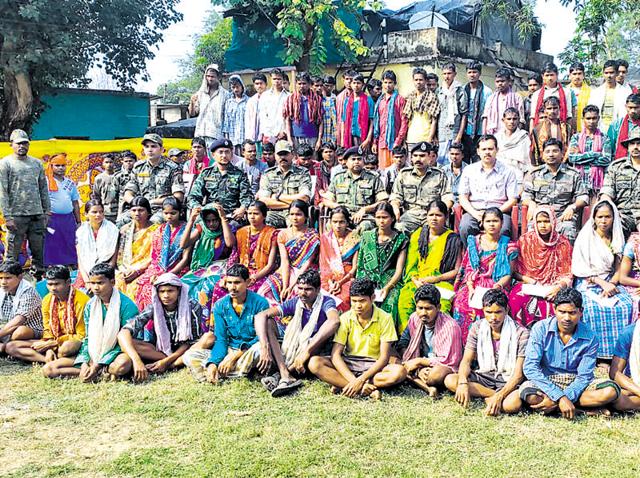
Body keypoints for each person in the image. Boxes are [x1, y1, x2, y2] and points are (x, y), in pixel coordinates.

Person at [516, 288, 620, 419]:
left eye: (572, 313)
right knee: (529, 395)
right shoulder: (540, 328)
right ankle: (581, 410)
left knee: (610, 391)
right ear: (554, 310)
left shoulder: (590, 337)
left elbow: (584, 377)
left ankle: (555, 407)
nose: (566, 318)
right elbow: (530, 368)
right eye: (562, 312)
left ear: (581, 312)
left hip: (575, 381)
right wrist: (560, 397)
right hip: (546, 380)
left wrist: (562, 397)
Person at [308, 278, 407, 400]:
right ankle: (365, 389)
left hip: (374, 365)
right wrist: (355, 381)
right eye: (354, 301)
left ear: (372, 298)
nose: (357, 306)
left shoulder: (385, 318)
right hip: (350, 362)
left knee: (399, 372)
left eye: (362, 301)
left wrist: (361, 378)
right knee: (314, 363)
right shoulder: (345, 318)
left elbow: (384, 358)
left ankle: (342, 383)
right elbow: (335, 355)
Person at [43, 263, 139, 380]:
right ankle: (97, 372)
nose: (95, 288)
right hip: (93, 352)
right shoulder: (90, 304)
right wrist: (84, 362)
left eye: (100, 283)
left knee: (122, 365)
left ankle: (99, 370)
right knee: (48, 369)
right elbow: (88, 338)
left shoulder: (127, 306)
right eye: (92, 283)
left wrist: (98, 364)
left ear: (112, 282)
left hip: (116, 353)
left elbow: (125, 343)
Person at [255, 270, 341, 397]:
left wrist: (306, 351)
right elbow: (261, 315)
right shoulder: (296, 302)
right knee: (268, 322)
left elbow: (334, 321)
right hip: (296, 350)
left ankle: (281, 376)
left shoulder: (326, 301)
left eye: (308, 289)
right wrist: (264, 347)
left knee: (322, 334)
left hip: (315, 352)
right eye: (300, 288)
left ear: (318, 290)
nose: (302, 293)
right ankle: (285, 374)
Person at [445, 289, 528, 415]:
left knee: (512, 405)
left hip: (507, 379)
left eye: (498, 312)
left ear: (507, 310)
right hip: (484, 375)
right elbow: (466, 360)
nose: (493, 318)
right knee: (450, 380)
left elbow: (518, 375)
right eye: (488, 312)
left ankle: (495, 396)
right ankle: (491, 395)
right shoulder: (477, 327)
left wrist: (502, 394)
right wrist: (462, 382)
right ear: (483, 310)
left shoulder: (521, 333)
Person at [183, 264, 270, 384]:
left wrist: (235, 356)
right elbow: (221, 339)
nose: (232, 287)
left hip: (248, 350)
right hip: (229, 349)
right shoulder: (220, 305)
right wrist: (213, 362)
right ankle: (227, 371)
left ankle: (223, 372)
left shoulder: (260, 303)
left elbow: (261, 337)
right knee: (190, 356)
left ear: (248, 282)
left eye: (237, 282)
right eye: (229, 282)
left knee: (259, 350)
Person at [572, 199, 634, 359]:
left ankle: (619, 354)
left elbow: (619, 267)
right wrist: (601, 283)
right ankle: (596, 354)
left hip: (610, 281)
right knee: (591, 308)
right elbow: (580, 269)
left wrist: (612, 283)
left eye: (607, 217)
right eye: (600, 217)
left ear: (613, 218)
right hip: (588, 282)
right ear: (594, 218)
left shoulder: (616, 237)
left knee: (626, 305)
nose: (603, 221)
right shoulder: (585, 238)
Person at [117, 274, 204, 382]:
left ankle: (172, 364)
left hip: (186, 349)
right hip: (162, 351)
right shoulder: (154, 306)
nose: (166, 295)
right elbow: (123, 333)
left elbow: (191, 342)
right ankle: (172, 363)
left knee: (207, 340)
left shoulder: (193, 306)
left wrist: (166, 362)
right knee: (129, 342)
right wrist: (137, 361)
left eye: (170, 291)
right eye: (162, 291)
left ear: (178, 291)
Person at [453, 208, 517, 343]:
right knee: (462, 303)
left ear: (501, 223)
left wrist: (497, 286)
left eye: (495, 221)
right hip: (474, 283)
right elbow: (469, 269)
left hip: (497, 284)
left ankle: (490, 345)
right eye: (488, 221)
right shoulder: (474, 243)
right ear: (482, 223)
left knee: (493, 305)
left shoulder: (509, 246)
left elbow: (508, 275)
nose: (492, 224)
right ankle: (467, 346)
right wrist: (470, 287)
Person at [397, 201, 462, 331]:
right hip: (418, 281)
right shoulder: (418, 235)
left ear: (446, 217)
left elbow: (457, 270)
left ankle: (439, 340)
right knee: (405, 301)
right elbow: (411, 265)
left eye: (438, 215)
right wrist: (416, 280)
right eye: (431, 215)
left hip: (441, 282)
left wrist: (436, 279)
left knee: (442, 305)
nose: (434, 218)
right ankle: (408, 340)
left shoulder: (453, 239)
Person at [6, 266, 88, 364]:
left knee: (65, 349)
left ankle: (60, 359)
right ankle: (48, 360)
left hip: (73, 342)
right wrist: (49, 347)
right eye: (50, 284)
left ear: (68, 282)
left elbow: (81, 336)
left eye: (57, 284)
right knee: (11, 347)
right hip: (52, 341)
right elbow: (47, 330)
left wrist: (52, 344)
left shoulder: (82, 301)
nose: (53, 288)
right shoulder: (47, 300)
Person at [509, 206, 573, 327]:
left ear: (553, 222)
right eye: (539, 222)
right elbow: (515, 272)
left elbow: (567, 274)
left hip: (554, 286)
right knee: (516, 299)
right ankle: (522, 336)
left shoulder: (562, 243)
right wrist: (531, 281)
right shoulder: (525, 241)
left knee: (553, 306)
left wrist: (558, 287)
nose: (543, 225)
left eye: (546, 221)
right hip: (529, 284)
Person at [0, 129, 50, 276]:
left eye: (25, 143)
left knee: (38, 251)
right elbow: (2, 191)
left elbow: (43, 188)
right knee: (12, 254)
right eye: (19, 143)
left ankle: (38, 279)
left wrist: (46, 211)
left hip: (37, 215)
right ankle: (9, 280)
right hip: (16, 215)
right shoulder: (5, 164)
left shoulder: (36, 163)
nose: (22, 146)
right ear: (12, 145)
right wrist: (7, 217)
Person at [399, 284, 462, 396]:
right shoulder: (414, 318)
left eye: (428, 309)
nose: (423, 313)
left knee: (434, 376)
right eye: (420, 308)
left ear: (438, 307)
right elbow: (404, 341)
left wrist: (419, 362)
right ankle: (425, 385)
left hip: (441, 366)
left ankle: (416, 378)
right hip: (420, 362)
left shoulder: (450, 326)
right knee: (392, 359)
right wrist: (412, 362)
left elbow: (450, 361)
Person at [522, 138, 588, 243]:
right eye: (547, 152)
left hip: (563, 216)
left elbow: (583, 196)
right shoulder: (534, 174)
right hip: (541, 217)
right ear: (542, 155)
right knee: (532, 234)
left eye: (555, 151)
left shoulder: (573, 174)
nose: (551, 154)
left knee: (568, 229)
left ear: (562, 154)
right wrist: (531, 203)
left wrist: (573, 207)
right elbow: (525, 195)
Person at [458, 135, 518, 245]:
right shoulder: (469, 170)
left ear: (497, 150)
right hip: (475, 211)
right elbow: (462, 197)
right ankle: (472, 258)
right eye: (484, 149)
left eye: (490, 149)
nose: (487, 152)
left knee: (504, 229)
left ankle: (498, 260)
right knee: (465, 227)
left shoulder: (508, 171)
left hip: (500, 211)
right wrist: (475, 213)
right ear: (478, 151)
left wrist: (495, 214)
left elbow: (513, 199)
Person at [356, 202, 408, 326]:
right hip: (367, 279)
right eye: (378, 217)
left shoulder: (401, 239)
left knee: (390, 303)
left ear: (392, 218)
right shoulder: (367, 236)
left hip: (390, 281)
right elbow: (361, 265)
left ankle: (387, 340)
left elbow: (399, 270)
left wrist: (387, 287)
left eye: (385, 217)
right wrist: (362, 285)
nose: (381, 221)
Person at [134, 197, 191, 310]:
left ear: (181, 212)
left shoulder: (186, 230)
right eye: (166, 213)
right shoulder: (160, 230)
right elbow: (155, 257)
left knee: (152, 289)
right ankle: (145, 322)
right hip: (158, 268)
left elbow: (185, 259)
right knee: (141, 285)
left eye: (173, 213)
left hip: (177, 269)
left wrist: (167, 274)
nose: (169, 216)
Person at [259, 200, 319, 305]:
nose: (295, 218)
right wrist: (285, 286)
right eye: (292, 214)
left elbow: (307, 263)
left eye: (299, 214)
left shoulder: (312, 235)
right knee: (264, 291)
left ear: (306, 216)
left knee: (296, 292)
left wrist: (291, 286)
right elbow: (285, 262)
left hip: (305, 271)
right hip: (287, 270)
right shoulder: (283, 234)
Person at [180, 204, 236, 318]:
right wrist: (191, 221)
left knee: (206, 288)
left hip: (221, 266)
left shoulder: (227, 228)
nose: (211, 224)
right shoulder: (202, 229)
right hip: (203, 266)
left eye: (215, 220)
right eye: (208, 221)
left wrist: (223, 219)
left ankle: (205, 320)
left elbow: (230, 243)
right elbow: (183, 244)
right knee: (182, 285)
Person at [186, 138, 253, 228]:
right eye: (220, 152)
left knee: (233, 230)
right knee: (197, 228)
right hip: (210, 215)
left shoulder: (239, 174)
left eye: (227, 152)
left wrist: (243, 208)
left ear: (231, 154)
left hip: (232, 216)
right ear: (213, 155)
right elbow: (193, 196)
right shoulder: (206, 173)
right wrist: (200, 208)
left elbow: (247, 196)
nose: (224, 155)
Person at [390, 142, 453, 235]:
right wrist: (395, 208)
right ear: (411, 158)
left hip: (431, 214)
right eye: (415, 156)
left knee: (433, 233)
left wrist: (441, 213)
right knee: (398, 228)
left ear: (429, 157)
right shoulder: (404, 174)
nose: (418, 159)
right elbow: (396, 197)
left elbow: (448, 198)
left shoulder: (439, 175)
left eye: (422, 156)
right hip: (410, 215)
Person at [323, 146, 388, 232]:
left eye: (359, 159)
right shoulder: (338, 178)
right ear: (346, 162)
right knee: (330, 226)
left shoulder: (373, 178)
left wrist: (365, 209)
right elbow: (326, 200)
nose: (356, 162)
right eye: (353, 159)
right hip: (341, 216)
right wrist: (338, 207)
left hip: (364, 217)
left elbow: (383, 201)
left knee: (365, 227)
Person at [123, 134, 184, 224]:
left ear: (162, 149)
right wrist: (136, 204)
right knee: (122, 220)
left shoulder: (173, 168)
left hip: (163, 209)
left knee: (153, 223)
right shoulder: (138, 167)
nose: (150, 150)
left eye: (153, 146)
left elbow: (179, 197)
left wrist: (153, 202)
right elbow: (128, 193)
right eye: (146, 146)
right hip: (141, 208)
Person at [257, 140, 312, 228]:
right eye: (280, 154)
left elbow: (304, 198)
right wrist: (290, 204)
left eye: (285, 154)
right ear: (275, 155)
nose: (283, 157)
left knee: (296, 226)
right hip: (274, 213)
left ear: (292, 155)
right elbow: (264, 201)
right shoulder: (268, 174)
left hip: (296, 212)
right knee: (265, 222)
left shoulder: (303, 173)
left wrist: (277, 197)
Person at [115, 196, 159, 301]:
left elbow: (156, 256)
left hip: (147, 269)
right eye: (134, 210)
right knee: (117, 283)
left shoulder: (157, 230)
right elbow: (120, 256)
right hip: (127, 269)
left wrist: (138, 271)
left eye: (141, 210)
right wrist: (125, 270)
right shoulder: (125, 230)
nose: (137, 213)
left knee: (137, 287)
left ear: (148, 212)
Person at [568, 105, 612, 202]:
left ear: (598, 119)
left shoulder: (605, 138)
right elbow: (572, 158)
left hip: (597, 183)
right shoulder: (576, 137)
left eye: (594, 118)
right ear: (583, 119)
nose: (591, 121)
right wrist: (596, 154)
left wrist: (582, 156)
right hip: (579, 181)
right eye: (588, 118)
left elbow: (606, 160)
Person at [43, 153, 80, 267]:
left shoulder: (70, 183)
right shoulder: (45, 182)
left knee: (69, 241)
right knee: (53, 242)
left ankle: (71, 266)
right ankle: (52, 268)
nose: (60, 168)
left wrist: (78, 221)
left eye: (63, 165)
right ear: (51, 167)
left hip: (68, 218)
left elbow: (75, 202)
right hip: (51, 218)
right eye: (57, 165)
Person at [319, 207, 360, 309]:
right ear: (330, 222)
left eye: (341, 222)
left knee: (344, 298)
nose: (338, 226)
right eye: (335, 222)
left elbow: (355, 267)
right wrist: (330, 283)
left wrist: (340, 283)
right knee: (321, 296)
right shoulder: (326, 238)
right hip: (328, 278)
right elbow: (324, 265)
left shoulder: (355, 238)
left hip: (348, 277)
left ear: (347, 222)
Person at [600, 130, 640, 234]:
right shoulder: (616, 167)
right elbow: (606, 194)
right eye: (632, 143)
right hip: (622, 215)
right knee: (606, 227)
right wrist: (612, 211)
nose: (636, 147)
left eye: (639, 143)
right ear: (627, 146)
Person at [75, 200, 119, 290]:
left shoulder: (112, 229)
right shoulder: (81, 232)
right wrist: (87, 281)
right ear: (86, 214)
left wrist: (103, 275)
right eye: (94, 212)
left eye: (101, 212)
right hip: (86, 272)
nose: (98, 215)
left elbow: (113, 259)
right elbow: (80, 259)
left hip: (106, 271)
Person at [0, 261, 42, 354]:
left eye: (8, 278)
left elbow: (19, 321)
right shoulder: (3, 290)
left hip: (32, 329)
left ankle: (9, 346)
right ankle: (6, 346)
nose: (3, 282)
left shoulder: (28, 292)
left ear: (20, 277)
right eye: (1, 278)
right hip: (9, 328)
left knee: (19, 332)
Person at [371, 70, 408, 170]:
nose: (388, 85)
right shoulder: (380, 101)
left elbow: (404, 122)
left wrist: (398, 141)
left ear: (395, 84)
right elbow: (376, 123)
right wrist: (375, 142)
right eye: (385, 82)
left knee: (395, 171)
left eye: (390, 82)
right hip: (381, 142)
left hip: (395, 142)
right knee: (383, 171)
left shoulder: (400, 100)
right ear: (382, 83)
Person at [189, 63, 230, 145]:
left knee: (214, 157)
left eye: (213, 76)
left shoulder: (225, 95)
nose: (210, 79)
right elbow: (192, 113)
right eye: (208, 76)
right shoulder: (200, 94)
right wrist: (192, 102)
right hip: (200, 133)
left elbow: (227, 117)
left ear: (218, 77)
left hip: (216, 134)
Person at [283, 71, 324, 150]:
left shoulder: (317, 99)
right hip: (295, 137)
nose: (301, 86)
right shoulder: (291, 99)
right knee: (297, 160)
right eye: (299, 83)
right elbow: (287, 120)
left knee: (312, 160)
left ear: (309, 84)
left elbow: (320, 121)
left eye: (304, 83)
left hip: (313, 137)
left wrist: (319, 140)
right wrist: (289, 138)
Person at [437, 63, 468, 165]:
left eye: (449, 73)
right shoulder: (439, 91)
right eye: (444, 73)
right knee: (441, 163)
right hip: (441, 133)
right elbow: (437, 114)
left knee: (454, 162)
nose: (447, 76)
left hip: (454, 133)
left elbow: (464, 114)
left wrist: (459, 135)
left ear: (454, 74)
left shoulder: (460, 91)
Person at [529, 62, 575, 132]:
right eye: (547, 75)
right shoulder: (536, 94)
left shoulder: (566, 92)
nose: (550, 78)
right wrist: (532, 135)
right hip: (541, 131)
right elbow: (533, 117)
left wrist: (568, 134)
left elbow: (569, 116)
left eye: (552, 75)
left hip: (560, 129)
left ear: (557, 75)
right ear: (543, 76)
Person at [587, 60, 628, 134]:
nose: (609, 76)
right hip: (599, 130)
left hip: (618, 129)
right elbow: (589, 113)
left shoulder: (625, 92)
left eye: (611, 73)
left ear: (616, 73)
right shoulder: (596, 92)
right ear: (603, 74)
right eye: (606, 73)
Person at [403, 68, 440, 150]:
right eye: (416, 80)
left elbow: (434, 120)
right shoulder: (410, 96)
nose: (418, 82)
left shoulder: (431, 97)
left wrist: (430, 138)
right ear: (413, 81)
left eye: (421, 80)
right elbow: (406, 119)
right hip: (411, 138)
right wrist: (404, 139)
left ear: (425, 81)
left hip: (425, 137)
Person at [463, 61, 492, 160]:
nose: (472, 75)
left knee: (479, 161)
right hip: (464, 132)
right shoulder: (462, 90)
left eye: (474, 72)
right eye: (469, 72)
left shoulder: (487, 92)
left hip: (480, 132)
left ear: (479, 74)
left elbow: (488, 114)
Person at [530, 96, 573, 166]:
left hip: (564, 164)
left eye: (555, 108)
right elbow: (535, 151)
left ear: (559, 109)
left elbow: (570, 147)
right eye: (549, 108)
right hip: (544, 165)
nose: (552, 111)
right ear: (545, 110)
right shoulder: (537, 129)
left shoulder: (567, 128)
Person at [495, 107, 531, 187]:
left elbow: (528, 163)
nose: (511, 122)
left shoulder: (524, 137)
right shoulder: (497, 137)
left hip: (517, 176)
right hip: (499, 176)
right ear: (503, 120)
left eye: (515, 119)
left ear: (519, 120)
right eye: (509, 119)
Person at [609, 320, 640, 411]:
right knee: (613, 394)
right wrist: (638, 390)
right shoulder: (630, 332)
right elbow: (615, 372)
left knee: (619, 400)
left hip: (633, 393)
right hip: (634, 383)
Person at [339, 73, 374, 149]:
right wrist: (342, 139)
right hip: (349, 137)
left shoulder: (368, 100)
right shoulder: (347, 101)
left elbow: (372, 121)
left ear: (363, 85)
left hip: (363, 137)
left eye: (358, 83)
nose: (356, 85)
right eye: (354, 83)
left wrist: (368, 139)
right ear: (351, 84)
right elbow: (343, 121)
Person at [259, 68, 290, 144]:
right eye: (274, 79)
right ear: (271, 79)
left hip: (283, 134)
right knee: (268, 155)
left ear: (283, 79)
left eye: (279, 79)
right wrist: (266, 133)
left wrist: (285, 132)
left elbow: (290, 116)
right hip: (268, 134)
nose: (276, 81)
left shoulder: (289, 96)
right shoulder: (265, 96)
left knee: (283, 155)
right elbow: (262, 116)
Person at [607, 93, 640, 161]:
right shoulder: (616, 125)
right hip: (621, 165)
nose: (633, 111)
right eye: (630, 107)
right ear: (626, 107)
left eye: (636, 108)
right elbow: (609, 147)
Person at [222, 74, 248, 155]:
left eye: (237, 86)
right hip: (233, 138)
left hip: (245, 137)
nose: (236, 89)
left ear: (242, 86)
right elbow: (226, 123)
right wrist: (227, 140)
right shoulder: (229, 103)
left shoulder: (249, 101)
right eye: (233, 87)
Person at [91, 153, 119, 223]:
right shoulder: (99, 178)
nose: (109, 164)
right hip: (105, 212)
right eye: (106, 162)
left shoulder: (119, 176)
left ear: (114, 163)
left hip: (118, 211)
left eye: (111, 162)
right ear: (103, 164)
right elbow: (96, 196)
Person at [113, 151, 136, 226]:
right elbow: (115, 194)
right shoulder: (118, 176)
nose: (128, 163)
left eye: (130, 161)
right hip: (123, 207)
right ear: (122, 162)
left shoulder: (140, 173)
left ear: (135, 161)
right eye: (126, 161)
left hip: (138, 203)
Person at [568, 62, 591, 134]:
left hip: (586, 128)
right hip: (569, 127)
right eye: (574, 74)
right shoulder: (565, 92)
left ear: (583, 75)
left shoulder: (591, 92)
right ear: (570, 76)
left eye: (579, 73)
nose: (577, 76)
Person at [245, 72, 268, 143]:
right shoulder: (251, 101)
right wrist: (248, 137)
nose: (259, 86)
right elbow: (248, 120)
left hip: (267, 135)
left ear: (266, 84)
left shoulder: (270, 98)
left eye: (261, 83)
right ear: (254, 85)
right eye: (257, 84)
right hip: (254, 136)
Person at [321, 75, 337, 145]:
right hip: (321, 132)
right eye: (327, 85)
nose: (329, 88)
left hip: (332, 132)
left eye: (331, 86)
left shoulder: (336, 98)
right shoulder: (319, 99)